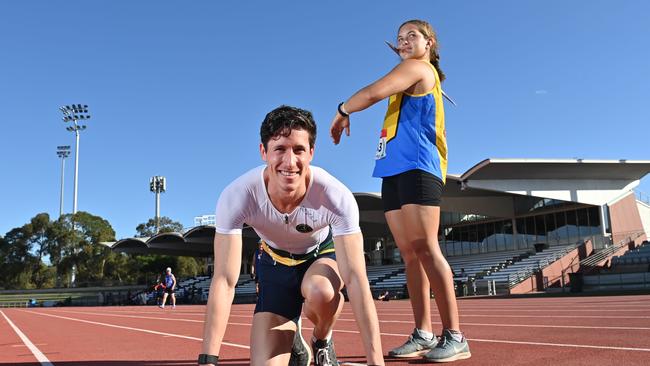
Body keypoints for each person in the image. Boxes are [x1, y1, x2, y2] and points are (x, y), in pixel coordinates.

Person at [330, 19, 471, 362]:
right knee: (408, 253)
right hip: (393, 168)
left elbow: (374, 91)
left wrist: (342, 110)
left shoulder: (418, 69)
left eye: (412, 36)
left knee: (425, 246)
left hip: (419, 166)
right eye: (399, 38)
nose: (404, 42)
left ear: (429, 43)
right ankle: (423, 332)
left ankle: (455, 335)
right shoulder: (409, 73)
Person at [199, 106, 384, 366]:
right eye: (280, 149)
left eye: (298, 150)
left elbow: (355, 279)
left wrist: (377, 362)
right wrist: (208, 359)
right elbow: (225, 281)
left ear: (311, 153)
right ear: (263, 152)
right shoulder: (237, 196)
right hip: (273, 266)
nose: (290, 162)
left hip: (320, 257)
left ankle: (321, 339)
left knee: (320, 291)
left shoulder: (335, 196)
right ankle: (293, 337)